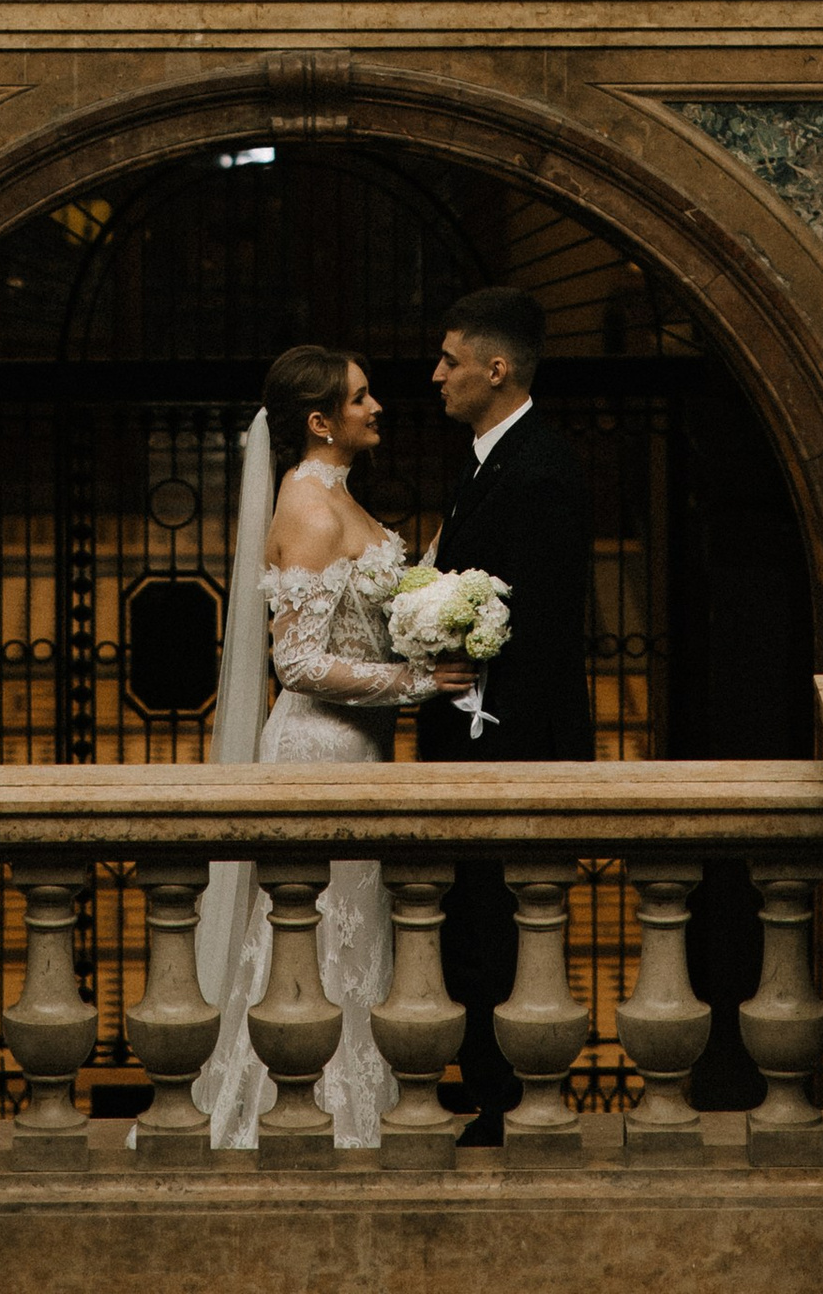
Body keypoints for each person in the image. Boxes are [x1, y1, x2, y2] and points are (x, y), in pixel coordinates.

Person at [191, 344, 473, 1151]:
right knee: (313, 944)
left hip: (360, 754)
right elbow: (300, 663)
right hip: (319, 752)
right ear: (319, 422)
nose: (377, 405)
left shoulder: (337, 494)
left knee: (350, 938)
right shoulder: (310, 507)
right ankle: (304, 1119)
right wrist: (419, 682)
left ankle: (355, 1113)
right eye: (360, 398)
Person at [415, 286, 595, 1145]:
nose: (436, 375)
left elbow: (548, 634)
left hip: (511, 748)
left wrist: (489, 710)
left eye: (451, 360)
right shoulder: (489, 462)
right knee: (473, 927)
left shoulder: (542, 469)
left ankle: (507, 1101)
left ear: (497, 368)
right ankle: (486, 1083)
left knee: (504, 929)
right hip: (471, 743)